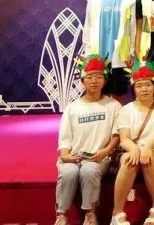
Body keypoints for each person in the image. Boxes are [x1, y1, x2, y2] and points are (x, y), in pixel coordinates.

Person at [55, 55, 121, 225]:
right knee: (68, 172)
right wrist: (65, 155)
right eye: (90, 77)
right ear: (82, 80)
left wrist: (106, 151)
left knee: (89, 171)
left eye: (99, 77)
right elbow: (65, 137)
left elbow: (117, 135)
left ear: (104, 80)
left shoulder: (113, 106)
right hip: (74, 156)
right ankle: (61, 214)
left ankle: (90, 215)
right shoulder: (72, 108)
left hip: (98, 157)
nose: (94, 81)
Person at [111, 61, 154, 225]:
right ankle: (117, 213)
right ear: (133, 88)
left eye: (148, 85)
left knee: (148, 159)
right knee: (129, 160)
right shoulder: (126, 109)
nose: (144, 89)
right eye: (139, 86)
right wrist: (134, 149)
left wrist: (147, 148)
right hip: (132, 148)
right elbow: (124, 138)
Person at [83, 0, 136, 103]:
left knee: (119, 96)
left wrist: (131, 53)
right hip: (98, 57)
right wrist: (88, 54)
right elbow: (88, 28)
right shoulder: (93, 1)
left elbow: (133, 29)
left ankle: (119, 119)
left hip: (121, 57)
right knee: (99, 95)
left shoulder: (129, 0)